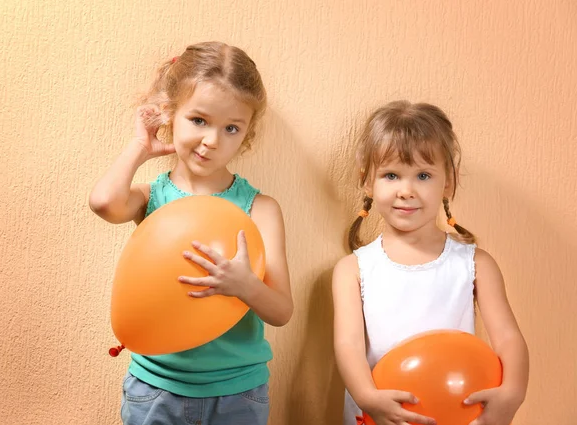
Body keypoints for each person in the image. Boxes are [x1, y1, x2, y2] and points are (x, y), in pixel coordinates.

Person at [89, 41, 293, 425]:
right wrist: (139, 146)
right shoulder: (152, 197)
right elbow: (103, 203)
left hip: (237, 391)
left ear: (246, 134)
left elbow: (282, 311)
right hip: (155, 387)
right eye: (198, 120)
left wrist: (245, 285)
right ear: (170, 113)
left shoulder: (261, 209)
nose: (212, 140)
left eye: (231, 128)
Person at [331, 100, 529, 425]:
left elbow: (508, 338)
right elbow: (348, 344)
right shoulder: (352, 270)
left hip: (456, 414)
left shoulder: (476, 264)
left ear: (447, 182)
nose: (406, 191)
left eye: (423, 175)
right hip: (379, 416)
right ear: (368, 182)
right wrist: (369, 399)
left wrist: (512, 394)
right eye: (391, 175)